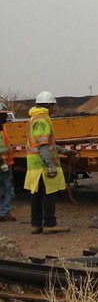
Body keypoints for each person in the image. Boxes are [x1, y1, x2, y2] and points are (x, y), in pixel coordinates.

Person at [25, 92, 68, 234]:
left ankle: (36, 224)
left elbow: (47, 144)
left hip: (35, 166)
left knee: (37, 195)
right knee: (49, 194)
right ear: (49, 105)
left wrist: (64, 151)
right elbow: (43, 145)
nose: (54, 108)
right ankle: (50, 224)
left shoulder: (34, 118)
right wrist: (49, 165)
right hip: (43, 165)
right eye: (53, 105)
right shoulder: (42, 120)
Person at [0, 118, 15, 222]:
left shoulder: (2, 128)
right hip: (2, 164)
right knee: (6, 188)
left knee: (7, 189)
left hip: (5, 164)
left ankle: (5, 211)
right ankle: (4, 212)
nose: (6, 118)